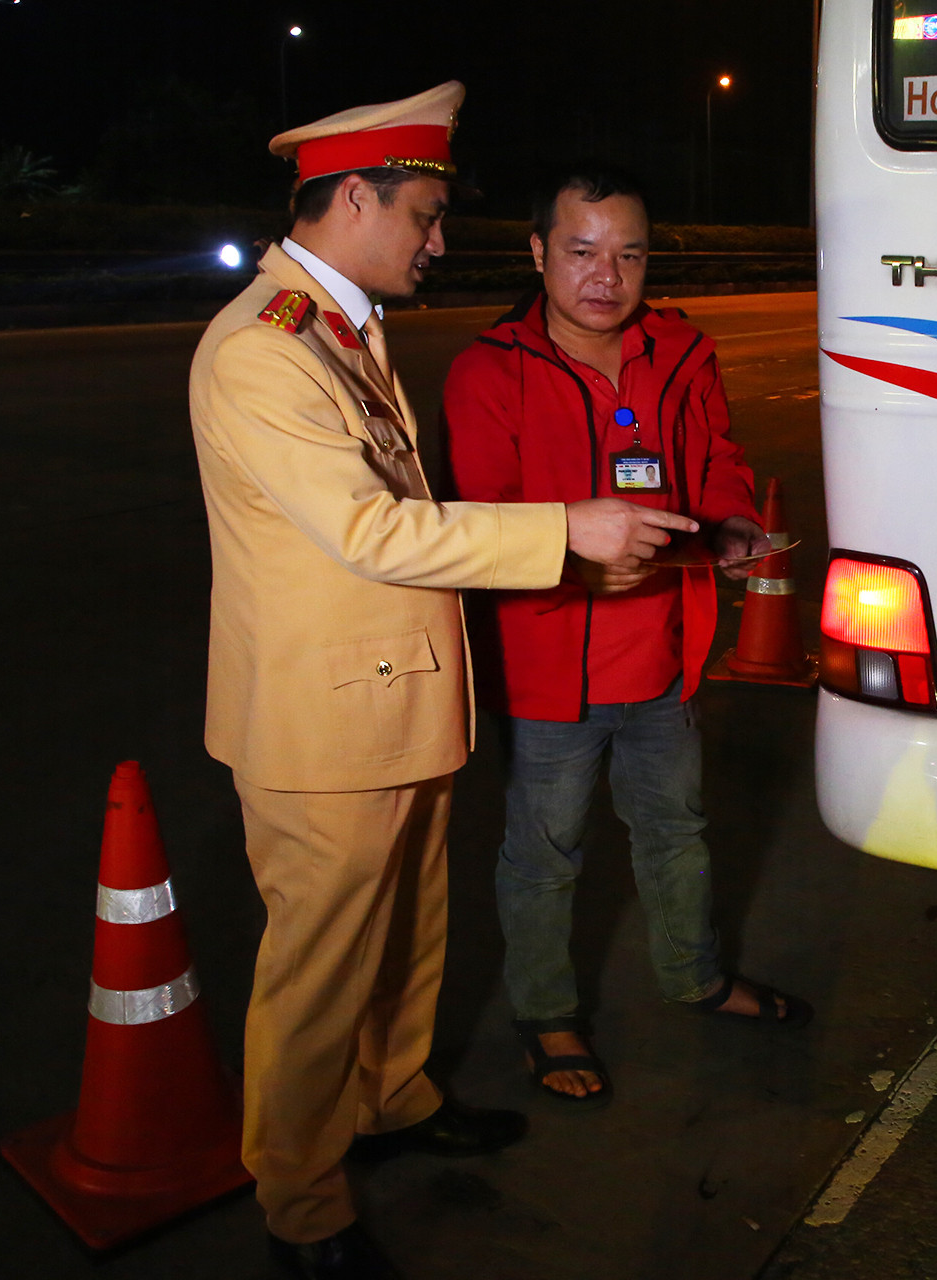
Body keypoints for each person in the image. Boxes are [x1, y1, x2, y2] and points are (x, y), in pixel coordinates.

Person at [189, 87, 695, 1280]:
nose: (435, 238)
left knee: (409, 934)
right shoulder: (263, 350)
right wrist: (564, 529)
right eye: (421, 213)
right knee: (317, 976)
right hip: (321, 728)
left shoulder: (334, 326)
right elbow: (371, 530)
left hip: (391, 703)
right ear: (354, 197)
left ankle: (395, 1099)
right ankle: (302, 1202)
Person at [443, 162, 811, 1109]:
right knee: (544, 855)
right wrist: (572, 562)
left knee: (678, 832)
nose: (605, 276)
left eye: (629, 255)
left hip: (664, 656)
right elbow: (481, 521)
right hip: (551, 669)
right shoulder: (492, 370)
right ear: (538, 254)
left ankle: (696, 977)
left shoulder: (680, 352)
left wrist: (729, 523)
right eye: (580, 251)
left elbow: (719, 458)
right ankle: (545, 1012)